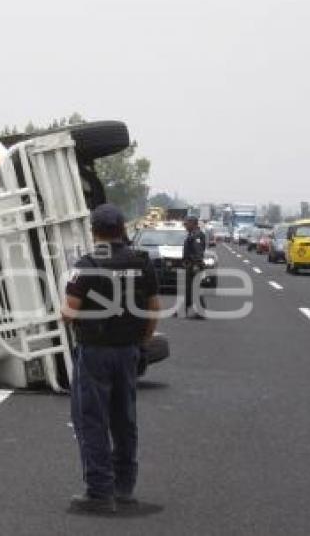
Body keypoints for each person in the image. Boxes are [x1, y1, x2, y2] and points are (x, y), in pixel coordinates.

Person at [63, 204, 160, 514]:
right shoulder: (142, 262)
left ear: (94, 232)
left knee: (92, 420)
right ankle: (124, 488)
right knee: (124, 419)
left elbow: (70, 311)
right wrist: (142, 343)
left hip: (95, 352)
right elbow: (153, 309)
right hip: (128, 350)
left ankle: (99, 492)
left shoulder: (86, 264)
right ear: (122, 229)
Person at [182, 216, 207, 318]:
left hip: (194, 265)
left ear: (193, 223)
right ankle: (183, 309)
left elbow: (198, 252)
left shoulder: (197, 235)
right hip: (191, 265)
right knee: (189, 289)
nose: (185, 226)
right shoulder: (193, 234)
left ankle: (201, 312)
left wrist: (196, 265)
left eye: (186, 223)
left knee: (195, 288)